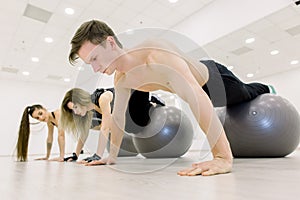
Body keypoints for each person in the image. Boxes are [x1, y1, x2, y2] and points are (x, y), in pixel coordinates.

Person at [68, 20, 274, 176]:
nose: (95, 69)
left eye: (94, 58)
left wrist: (222, 157)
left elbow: (195, 97)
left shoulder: (156, 54)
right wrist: (111, 156)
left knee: (246, 93)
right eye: (89, 64)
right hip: (196, 87)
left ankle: (267, 87)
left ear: (110, 42)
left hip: (214, 79)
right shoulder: (121, 80)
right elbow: (118, 118)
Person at [59, 87, 165, 164]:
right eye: (72, 110)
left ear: (82, 100)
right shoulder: (88, 113)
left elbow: (105, 128)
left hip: (134, 95)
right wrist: (75, 155)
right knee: (133, 128)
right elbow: (83, 135)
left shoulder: (102, 98)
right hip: (125, 111)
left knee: (142, 121)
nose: (75, 112)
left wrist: (98, 156)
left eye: (75, 107)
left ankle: (152, 103)